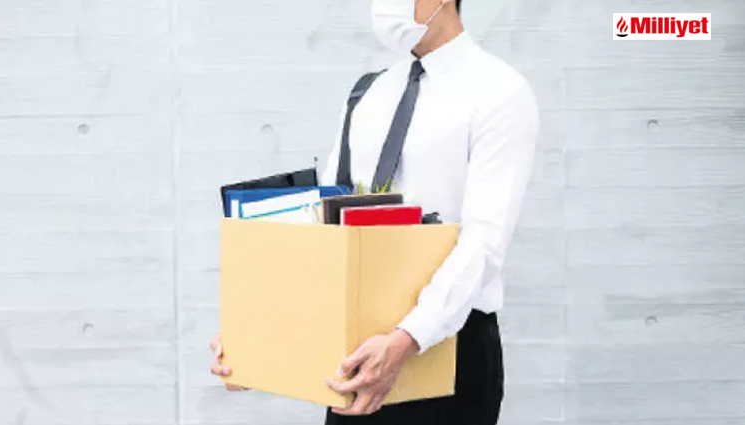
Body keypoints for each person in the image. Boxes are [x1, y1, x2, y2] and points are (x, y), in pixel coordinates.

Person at [210, 0, 539, 424]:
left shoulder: (499, 91)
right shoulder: (370, 93)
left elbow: (484, 241)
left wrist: (406, 339)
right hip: (357, 349)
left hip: (448, 346)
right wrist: (259, 333)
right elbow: (324, 226)